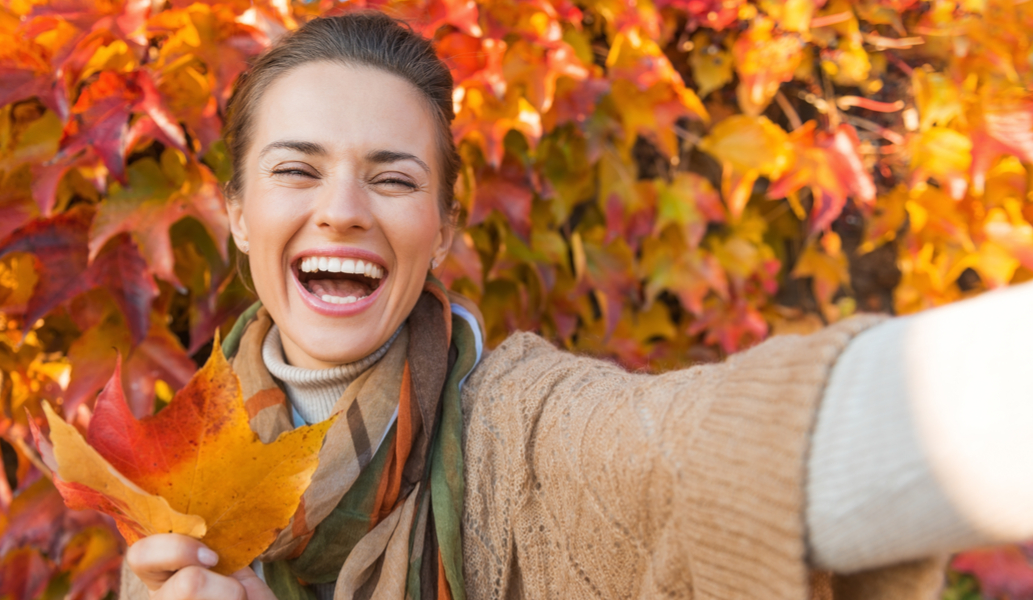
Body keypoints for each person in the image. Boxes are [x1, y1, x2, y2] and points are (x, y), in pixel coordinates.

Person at [120, 11, 1033, 600]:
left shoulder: (525, 433)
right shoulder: (183, 468)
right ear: (237, 213)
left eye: (393, 178)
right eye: (296, 169)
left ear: (440, 232)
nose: (344, 209)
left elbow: (688, 449)